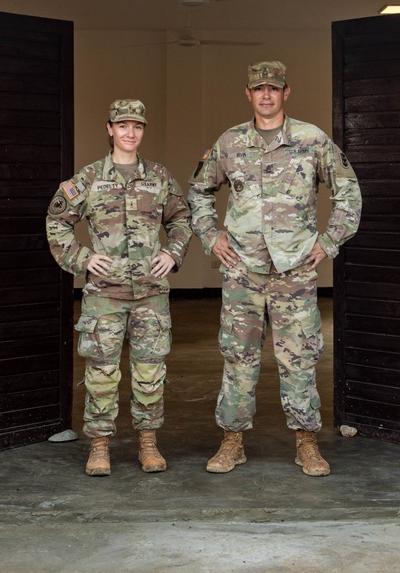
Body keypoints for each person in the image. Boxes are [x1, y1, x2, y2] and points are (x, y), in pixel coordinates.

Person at [188, 61, 362, 476]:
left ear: (287, 92)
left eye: (274, 88)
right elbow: (198, 191)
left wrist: (328, 240)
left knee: (300, 357)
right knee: (238, 356)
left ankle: (306, 443)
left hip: (295, 271)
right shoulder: (229, 142)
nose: (266, 94)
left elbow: (348, 193)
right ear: (247, 94)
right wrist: (212, 237)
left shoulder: (311, 139)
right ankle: (232, 442)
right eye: (258, 88)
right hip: (242, 271)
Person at [47, 99, 192, 476]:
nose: (131, 133)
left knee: (149, 372)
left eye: (138, 127)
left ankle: (148, 443)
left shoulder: (158, 176)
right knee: (101, 374)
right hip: (104, 296)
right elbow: (57, 221)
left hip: (150, 294)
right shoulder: (89, 178)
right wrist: (82, 259)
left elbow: (181, 219)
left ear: (143, 131)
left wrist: (173, 253)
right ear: (109, 129)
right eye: (123, 125)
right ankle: (99, 447)